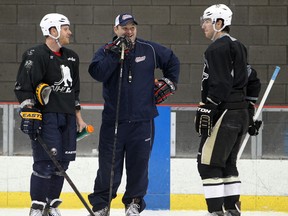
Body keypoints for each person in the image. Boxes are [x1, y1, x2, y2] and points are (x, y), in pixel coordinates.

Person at [87, 13, 180, 216]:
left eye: (132, 28)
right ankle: (102, 205)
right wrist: (114, 54)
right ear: (116, 30)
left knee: (139, 166)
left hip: (143, 120)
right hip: (114, 121)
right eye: (124, 28)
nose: (129, 32)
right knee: (108, 167)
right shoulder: (105, 51)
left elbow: (172, 61)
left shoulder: (149, 49)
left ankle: (134, 202)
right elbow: (97, 73)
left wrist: (170, 83)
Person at [14, 13, 87, 216]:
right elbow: (24, 87)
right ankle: (37, 206)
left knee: (62, 164)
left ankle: (50, 205)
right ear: (53, 31)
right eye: (65, 28)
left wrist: (78, 117)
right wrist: (29, 114)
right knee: (45, 163)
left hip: (67, 116)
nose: (69, 32)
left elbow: (75, 90)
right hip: (47, 117)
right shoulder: (35, 55)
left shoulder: (72, 57)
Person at [195, 4, 261, 216]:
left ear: (219, 23)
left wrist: (210, 107)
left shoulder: (216, 48)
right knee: (227, 164)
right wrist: (249, 111)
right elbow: (253, 79)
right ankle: (232, 209)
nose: (203, 26)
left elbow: (221, 83)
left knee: (208, 164)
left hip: (225, 113)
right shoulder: (238, 46)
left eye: (206, 21)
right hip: (240, 113)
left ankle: (216, 212)